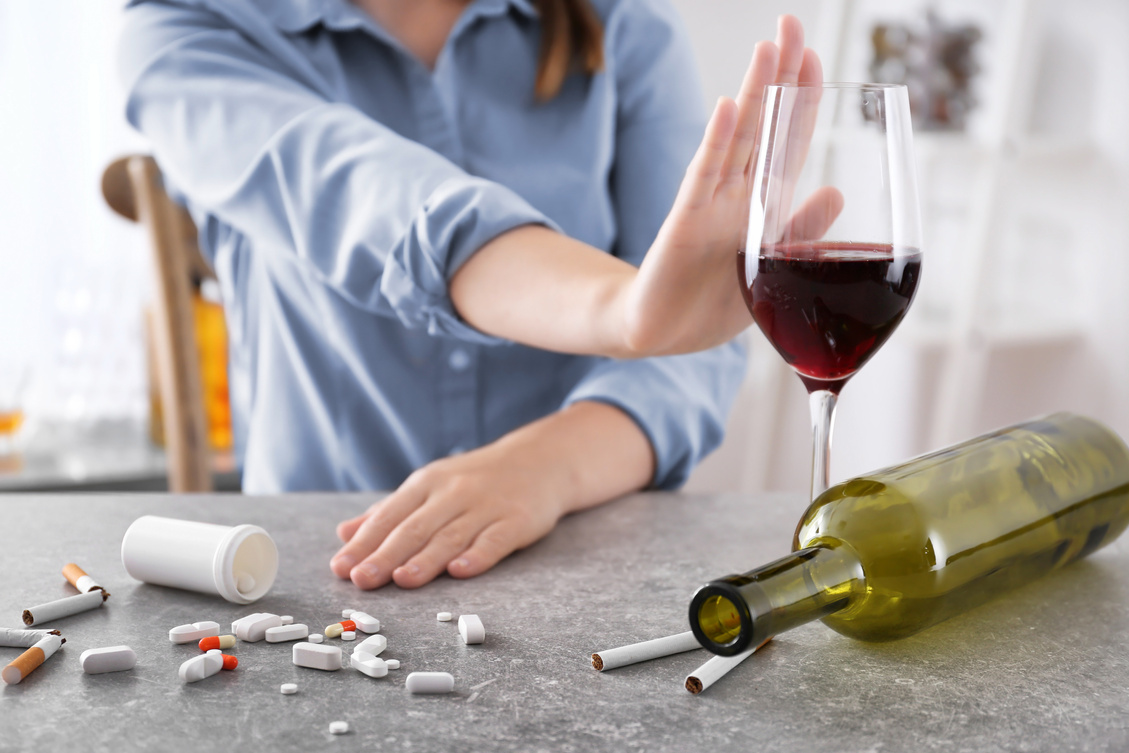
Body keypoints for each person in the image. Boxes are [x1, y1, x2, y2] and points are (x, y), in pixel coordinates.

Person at [118, 0, 822, 590]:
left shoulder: (620, 20)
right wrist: (622, 310)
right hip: (318, 573)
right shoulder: (191, 27)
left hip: (588, 560)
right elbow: (366, 196)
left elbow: (693, 340)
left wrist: (547, 464)